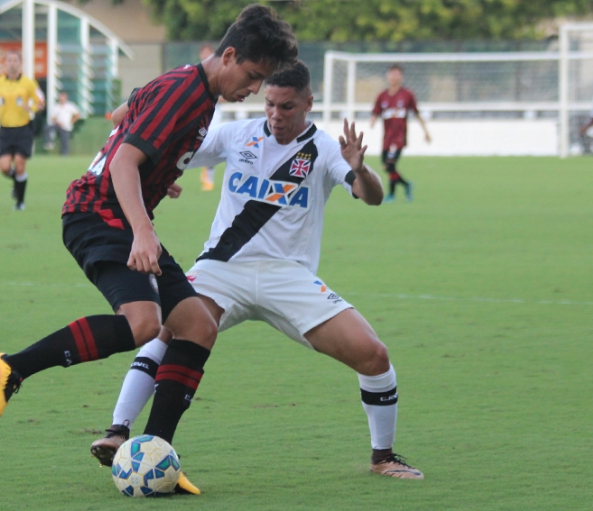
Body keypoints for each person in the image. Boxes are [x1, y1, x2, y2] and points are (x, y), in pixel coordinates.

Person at [0, 3, 298, 493]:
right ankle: (10, 367)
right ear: (230, 56)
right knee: (144, 323)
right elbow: (124, 162)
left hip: (120, 214)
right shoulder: (185, 92)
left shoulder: (191, 86)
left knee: (198, 326)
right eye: (253, 76)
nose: (253, 89)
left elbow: (122, 114)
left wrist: (160, 172)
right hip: (99, 214)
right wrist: (144, 227)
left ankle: (155, 454)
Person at [89, 62, 424, 491]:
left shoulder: (323, 148)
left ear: (308, 103)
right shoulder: (237, 134)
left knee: (374, 355)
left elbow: (370, 196)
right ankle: (118, 431)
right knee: (166, 331)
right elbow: (164, 148)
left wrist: (359, 168)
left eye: (287, 107)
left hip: (289, 276)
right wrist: (162, 174)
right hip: (221, 268)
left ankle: (383, 457)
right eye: (269, 104)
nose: (275, 115)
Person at [0, 50, 43, 211]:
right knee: (4, 167)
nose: (12, 63)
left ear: (20, 63)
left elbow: (41, 102)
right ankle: (17, 182)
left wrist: (31, 107)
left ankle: (20, 202)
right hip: (5, 129)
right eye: (9, 60)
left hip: (23, 129)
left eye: (15, 60)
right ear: (5, 63)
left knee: (19, 163)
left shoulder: (29, 83)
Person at [369, 64, 430, 202]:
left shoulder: (407, 95)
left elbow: (417, 113)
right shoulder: (382, 96)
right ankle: (407, 185)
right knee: (386, 165)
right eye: (391, 74)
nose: (393, 77)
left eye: (396, 74)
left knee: (390, 164)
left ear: (401, 77)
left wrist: (426, 132)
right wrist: (372, 120)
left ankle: (391, 194)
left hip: (399, 138)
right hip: (387, 138)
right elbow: (376, 111)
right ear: (387, 76)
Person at [198, 43, 221, 191]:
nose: (206, 55)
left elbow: (224, 95)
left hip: (215, 113)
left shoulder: (219, 72)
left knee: (213, 142)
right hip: (200, 112)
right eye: (204, 53)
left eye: (208, 52)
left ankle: (208, 177)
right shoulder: (196, 72)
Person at [43, 91, 81, 156]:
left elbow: (77, 114)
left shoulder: (70, 106)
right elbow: (53, 117)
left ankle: (64, 154)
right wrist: (58, 122)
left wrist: (71, 121)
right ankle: (49, 142)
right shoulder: (57, 107)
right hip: (58, 125)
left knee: (64, 142)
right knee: (47, 127)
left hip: (67, 127)